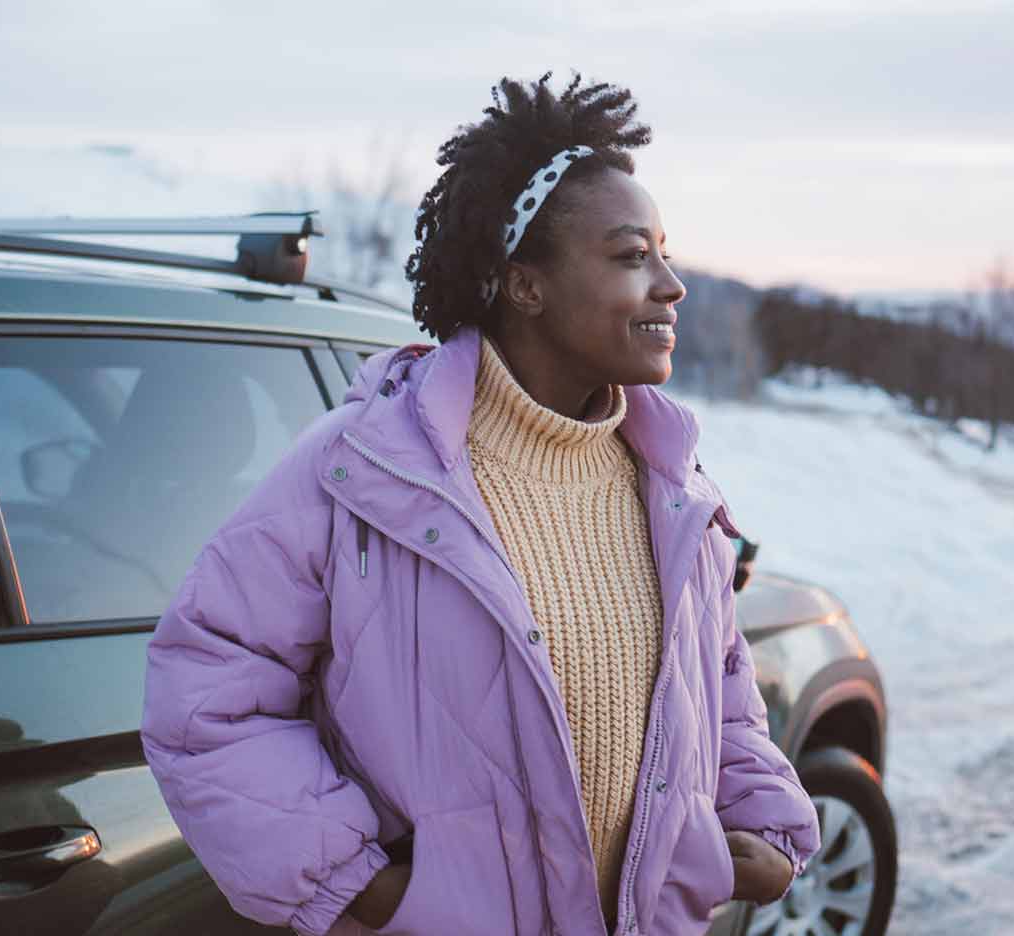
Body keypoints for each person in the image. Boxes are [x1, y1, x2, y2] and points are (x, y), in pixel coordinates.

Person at [141, 71, 820, 936]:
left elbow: (724, 694)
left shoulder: (674, 488)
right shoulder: (359, 472)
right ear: (525, 284)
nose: (671, 284)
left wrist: (761, 819)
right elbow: (204, 698)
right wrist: (368, 887)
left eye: (665, 252)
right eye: (630, 256)